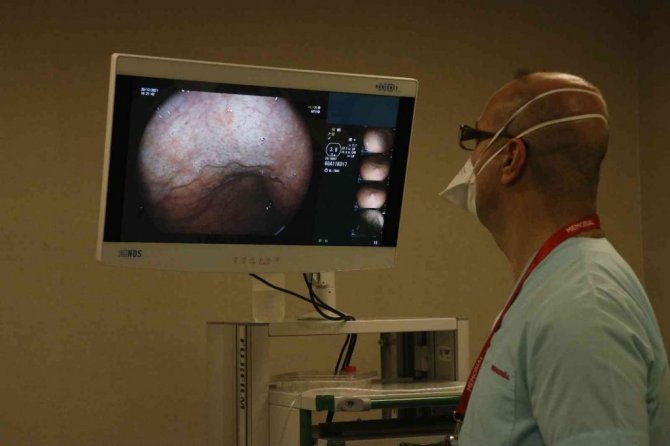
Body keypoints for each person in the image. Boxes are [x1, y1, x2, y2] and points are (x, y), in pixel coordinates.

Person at [440, 72, 670, 445]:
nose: (471, 159)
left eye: (475, 137)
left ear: (510, 158)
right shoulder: (554, 281)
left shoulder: (585, 306)